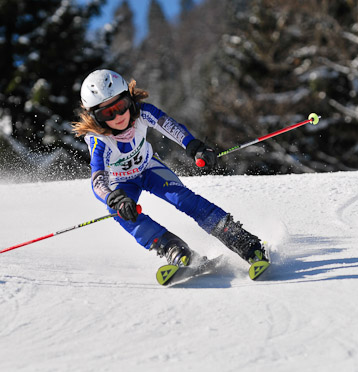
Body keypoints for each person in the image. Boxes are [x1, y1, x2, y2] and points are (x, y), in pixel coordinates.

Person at [72, 69, 268, 273]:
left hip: (149, 169)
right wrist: (115, 198)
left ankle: (243, 241)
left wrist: (194, 147)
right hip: (122, 183)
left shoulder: (142, 113)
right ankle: (172, 248)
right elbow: (97, 179)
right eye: (107, 113)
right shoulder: (99, 139)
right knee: (119, 213)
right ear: (95, 117)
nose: (118, 116)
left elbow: (171, 127)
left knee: (184, 199)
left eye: (121, 106)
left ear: (129, 100)